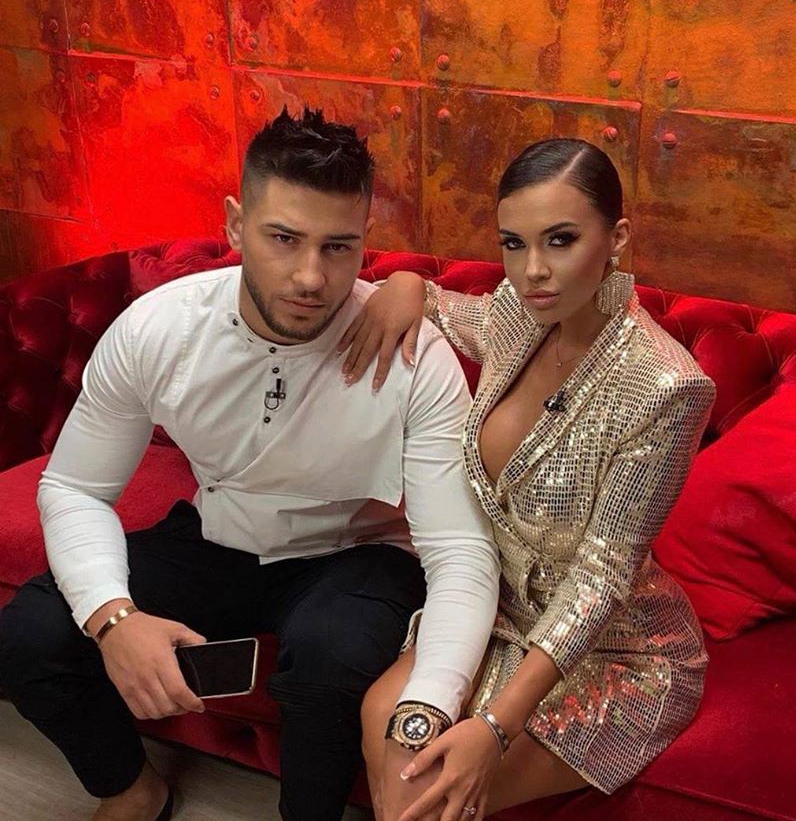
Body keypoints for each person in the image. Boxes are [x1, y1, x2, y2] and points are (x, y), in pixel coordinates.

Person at [0, 107, 500, 821]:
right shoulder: (158, 328)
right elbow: (76, 486)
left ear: (365, 241)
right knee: (31, 632)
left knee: (332, 654)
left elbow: (460, 548)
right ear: (236, 225)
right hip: (219, 536)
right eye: (283, 238)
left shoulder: (413, 355)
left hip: (355, 552)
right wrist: (114, 618)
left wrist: (428, 704)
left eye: (338, 247)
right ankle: (132, 789)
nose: (311, 276)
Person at [341, 138, 716, 821]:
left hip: (614, 651)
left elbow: (603, 576)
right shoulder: (518, 314)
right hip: (494, 610)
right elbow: (439, 304)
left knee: (421, 790)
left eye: (561, 240)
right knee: (382, 719)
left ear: (617, 239)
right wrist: (404, 285)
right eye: (514, 244)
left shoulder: (667, 385)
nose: (533, 270)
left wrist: (494, 727)